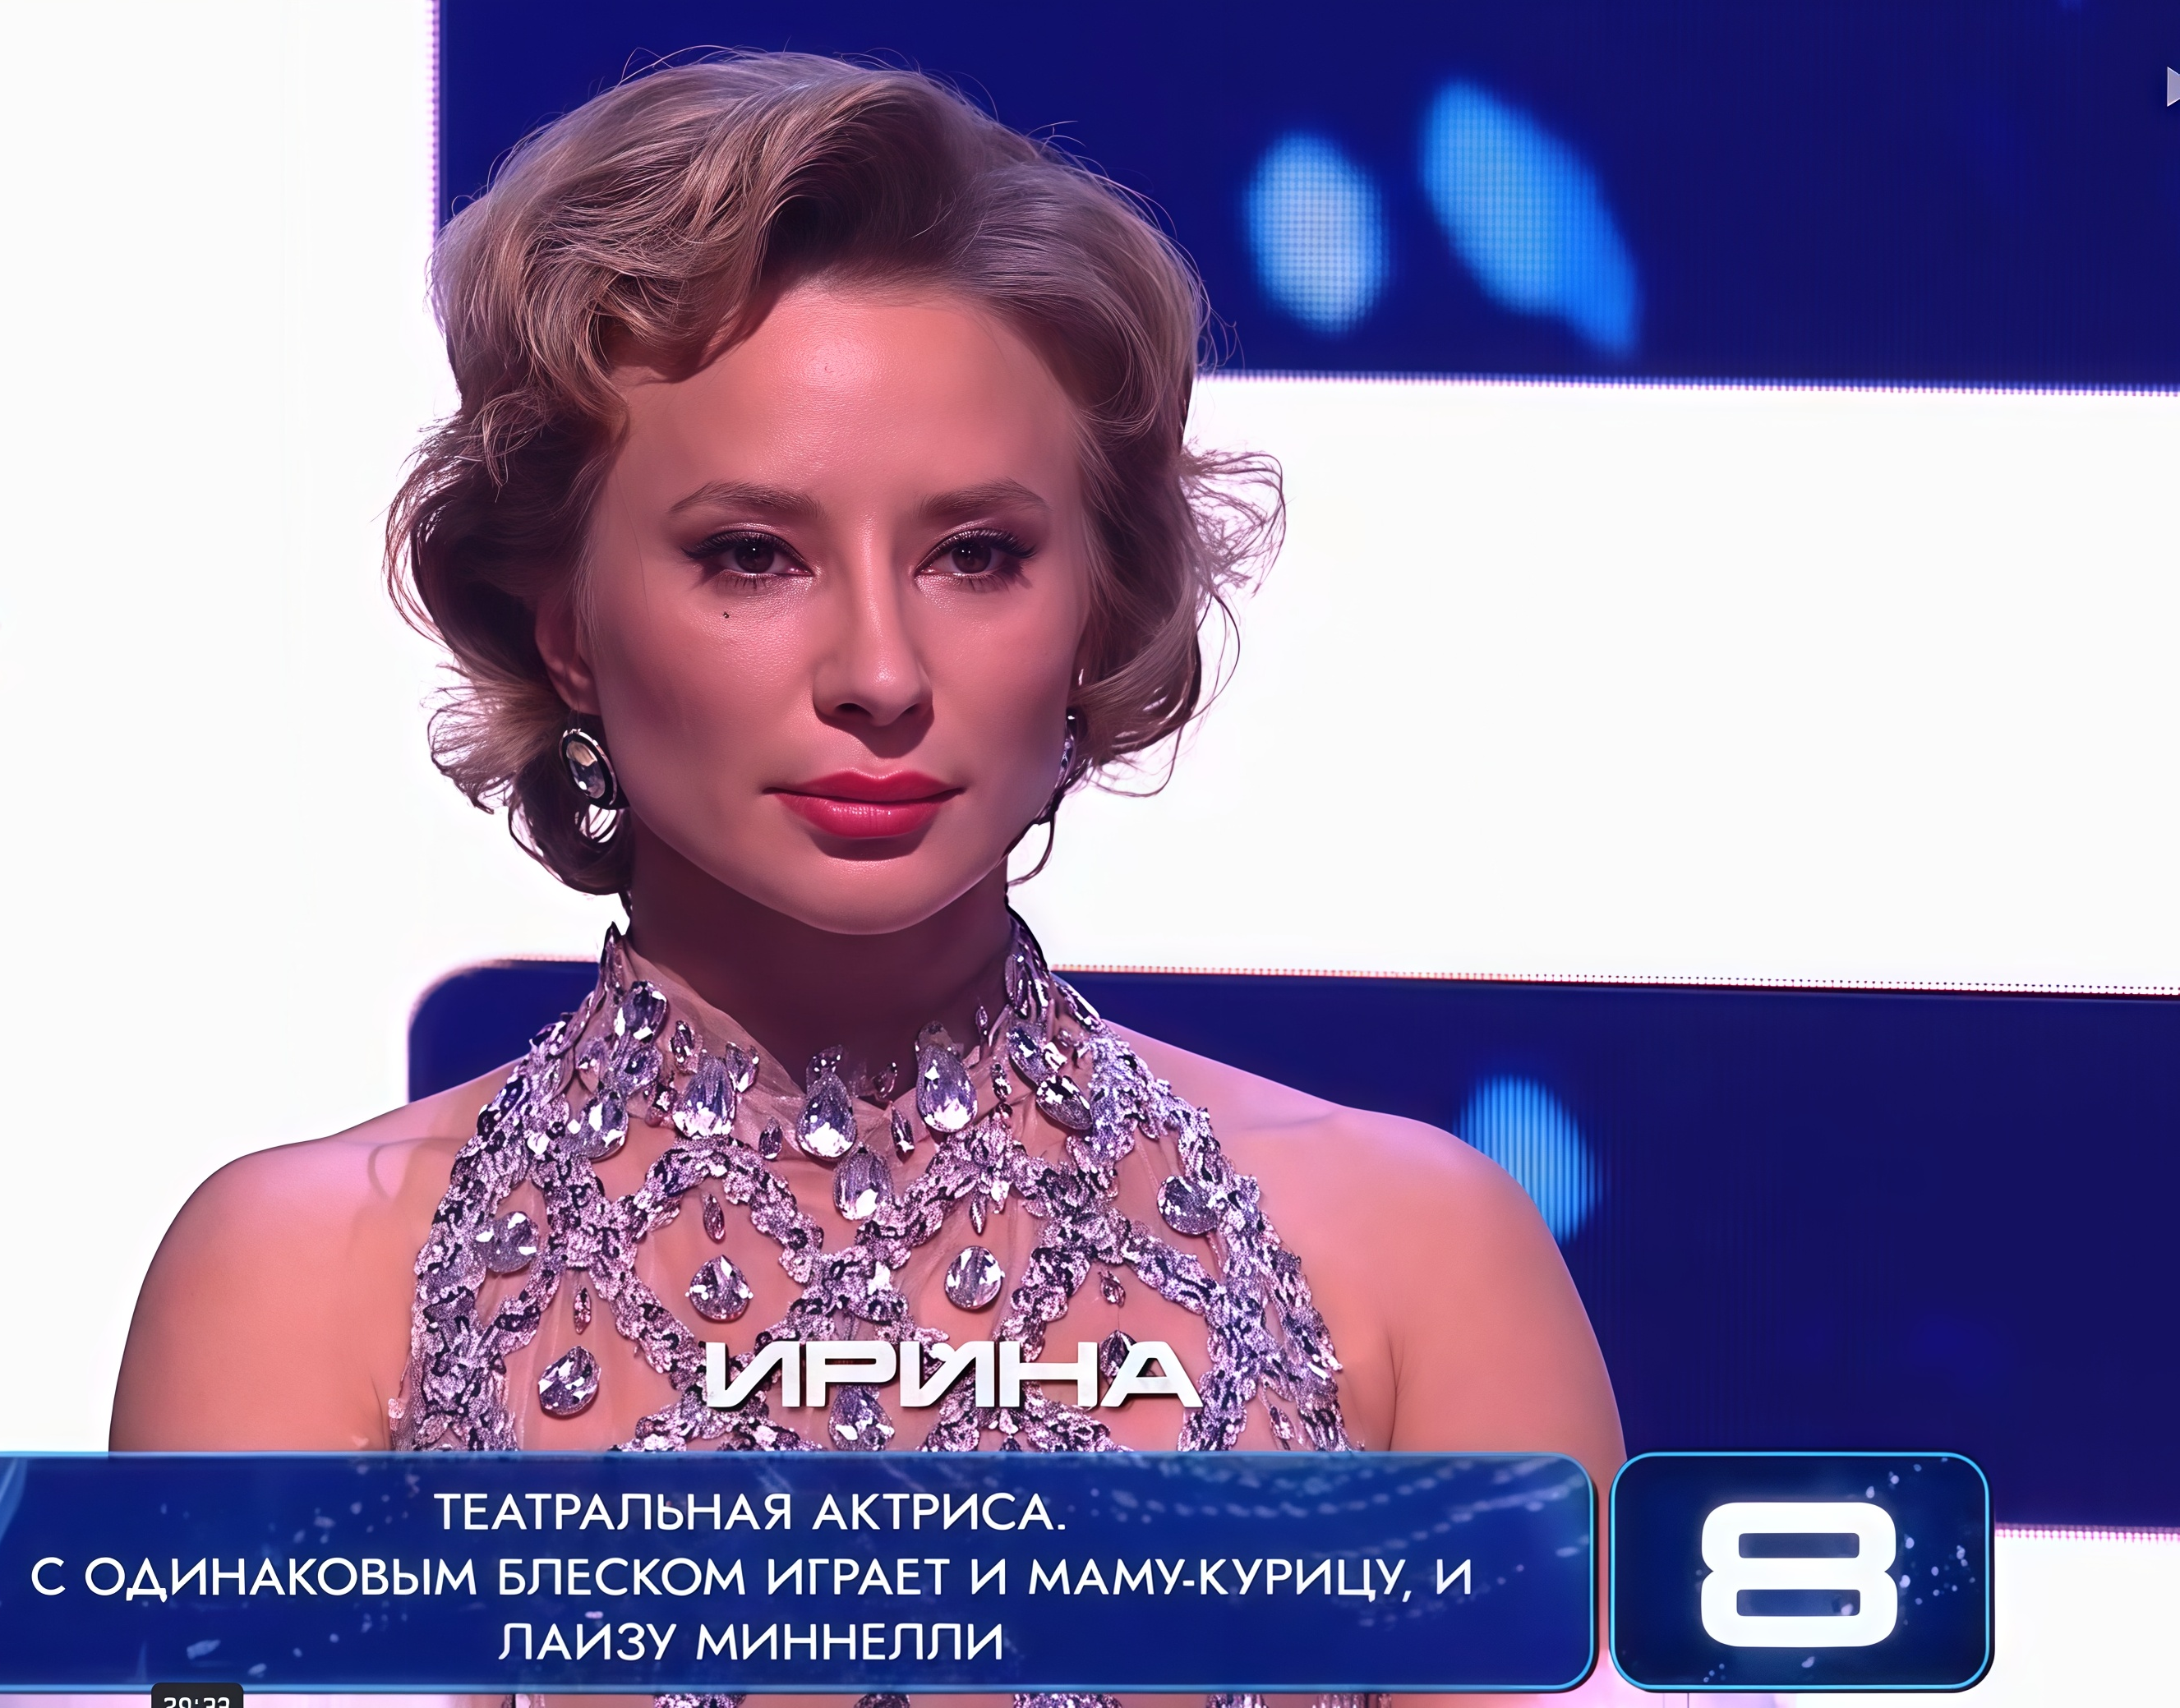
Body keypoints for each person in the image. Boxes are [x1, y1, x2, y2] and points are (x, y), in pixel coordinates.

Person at [112, 52, 1623, 1708]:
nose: (882, 673)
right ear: (566, 627)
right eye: (751, 555)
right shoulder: (311, 1278)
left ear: (1096, 612)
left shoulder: (1408, 1258)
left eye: (976, 554)